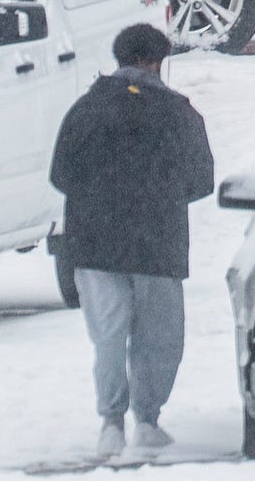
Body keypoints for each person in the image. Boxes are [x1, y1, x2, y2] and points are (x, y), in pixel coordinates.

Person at [48, 23, 215, 458]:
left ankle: (110, 423)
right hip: (157, 242)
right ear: (156, 62)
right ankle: (148, 419)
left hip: (93, 242)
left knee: (108, 333)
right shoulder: (179, 113)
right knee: (158, 336)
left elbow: (59, 174)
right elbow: (200, 180)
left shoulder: (85, 109)